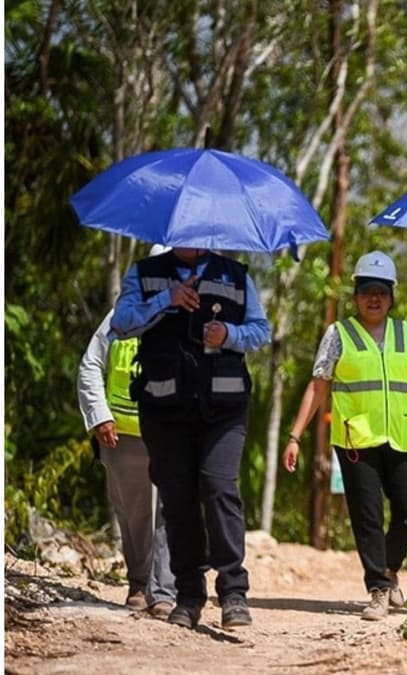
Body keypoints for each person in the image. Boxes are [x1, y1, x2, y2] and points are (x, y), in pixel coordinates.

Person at [282, 251, 407, 621]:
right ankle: (378, 588)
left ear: (392, 296)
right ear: (355, 295)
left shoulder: (406, 333)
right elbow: (318, 387)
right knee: (368, 517)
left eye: (381, 291)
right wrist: (295, 435)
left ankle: (390, 572)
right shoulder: (338, 334)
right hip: (355, 440)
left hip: (402, 437)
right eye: (366, 291)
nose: (373, 298)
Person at [111, 245, 271, 630]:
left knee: (219, 489)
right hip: (165, 407)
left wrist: (228, 334)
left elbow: (261, 330)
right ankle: (188, 594)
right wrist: (166, 300)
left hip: (224, 407)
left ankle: (233, 592)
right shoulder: (145, 274)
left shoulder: (235, 275)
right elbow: (122, 323)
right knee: (178, 500)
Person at [77, 245, 176, 619]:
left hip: (172, 431)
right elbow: (91, 365)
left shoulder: (191, 317)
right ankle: (138, 582)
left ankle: (164, 590)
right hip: (124, 433)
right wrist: (99, 415)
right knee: (134, 512)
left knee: (173, 510)